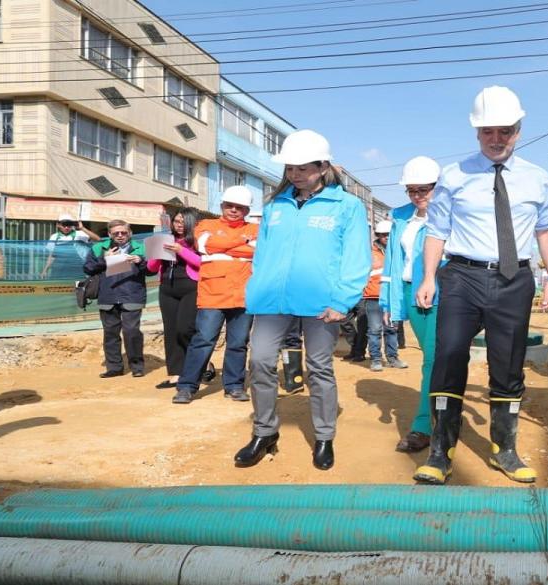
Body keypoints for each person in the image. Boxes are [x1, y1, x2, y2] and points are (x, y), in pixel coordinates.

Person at [413, 86, 548, 485]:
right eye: (488, 132)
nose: (497, 139)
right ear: (477, 133)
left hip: (514, 280)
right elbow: (436, 230)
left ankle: (504, 450)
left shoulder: (538, 178)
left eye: (505, 131)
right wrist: (428, 277)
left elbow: (546, 229)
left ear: (519, 129)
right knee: (448, 356)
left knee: (508, 363)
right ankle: (441, 452)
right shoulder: (455, 175)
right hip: (462, 276)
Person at [236, 129, 371, 471]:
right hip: (272, 299)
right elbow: (263, 253)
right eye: (290, 168)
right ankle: (265, 431)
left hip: (322, 303)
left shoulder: (347, 205)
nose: (294, 175)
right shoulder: (275, 206)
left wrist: (343, 300)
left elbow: (357, 256)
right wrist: (257, 287)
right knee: (262, 361)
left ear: (323, 166)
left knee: (320, 367)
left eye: (302, 168)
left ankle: (324, 436)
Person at [171, 186, 258, 404]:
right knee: (203, 341)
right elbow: (205, 245)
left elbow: (257, 250)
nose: (234, 210)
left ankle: (235, 385)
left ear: (247, 210)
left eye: (240, 207)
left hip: (243, 294)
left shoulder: (257, 229)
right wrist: (242, 243)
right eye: (230, 206)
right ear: (222, 206)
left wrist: (223, 247)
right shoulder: (205, 225)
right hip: (212, 294)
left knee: (238, 343)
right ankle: (187, 386)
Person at [380, 155, 443, 454]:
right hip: (409, 293)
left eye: (424, 189)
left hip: (444, 294)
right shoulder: (400, 217)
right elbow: (393, 261)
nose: (417, 196)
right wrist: (387, 300)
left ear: (437, 187)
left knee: (435, 358)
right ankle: (438, 418)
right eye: (412, 190)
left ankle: (424, 426)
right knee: (432, 359)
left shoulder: (451, 213)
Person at [83, 219, 152, 378]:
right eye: (116, 233)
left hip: (132, 294)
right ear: (109, 234)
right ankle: (114, 368)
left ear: (130, 233)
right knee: (110, 333)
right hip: (108, 295)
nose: (120, 236)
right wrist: (104, 260)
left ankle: (137, 366)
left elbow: (152, 271)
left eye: (124, 232)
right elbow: (87, 268)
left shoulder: (141, 248)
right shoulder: (99, 248)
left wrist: (140, 261)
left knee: (131, 331)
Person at [146, 208, 203, 389]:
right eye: (176, 221)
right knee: (170, 332)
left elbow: (202, 264)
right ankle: (176, 374)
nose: (179, 225)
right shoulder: (164, 239)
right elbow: (152, 268)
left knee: (185, 329)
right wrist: (156, 253)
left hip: (191, 288)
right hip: (167, 289)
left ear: (192, 223)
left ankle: (202, 363)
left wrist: (181, 250)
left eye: (183, 221)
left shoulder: (198, 241)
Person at [364, 220, 407, 372]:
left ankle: (392, 358)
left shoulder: (398, 252)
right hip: (374, 296)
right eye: (383, 235)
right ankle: (375, 359)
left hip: (392, 296)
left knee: (391, 329)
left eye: (389, 234)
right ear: (378, 236)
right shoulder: (369, 253)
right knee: (375, 329)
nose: (386, 238)